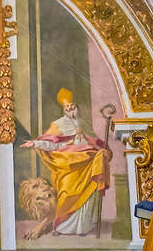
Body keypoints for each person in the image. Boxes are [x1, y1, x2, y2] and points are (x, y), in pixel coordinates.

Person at [21, 88, 111, 235]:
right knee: (67, 193)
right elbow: (52, 143)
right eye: (67, 107)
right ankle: (63, 226)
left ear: (76, 107)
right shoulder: (58, 125)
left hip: (87, 165)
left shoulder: (83, 124)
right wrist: (35, 143)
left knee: (88, 193)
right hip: (68, 165)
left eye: (72, 106)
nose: (70, 109)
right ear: (64, 110)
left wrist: (103, 149)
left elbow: (96, 142)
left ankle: (83, 227)